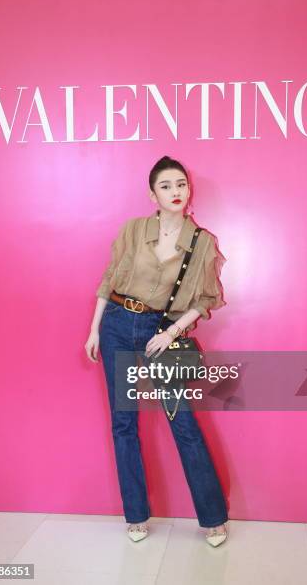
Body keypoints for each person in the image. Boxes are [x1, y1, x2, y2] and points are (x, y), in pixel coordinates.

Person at [85, 155, 228, 547]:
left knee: (183, 423)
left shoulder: (202, 242)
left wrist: (173, 332)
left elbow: (206, 299)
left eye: (180, 184)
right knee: (124, 423)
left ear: (188, 189)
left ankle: (213, 518)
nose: (175, 191)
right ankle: (136, 515)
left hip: (159, 331)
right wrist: (95, 328)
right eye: (166, 186)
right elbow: (109, 279)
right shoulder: (133, 230)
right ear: (153, 194)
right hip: (115, 324)